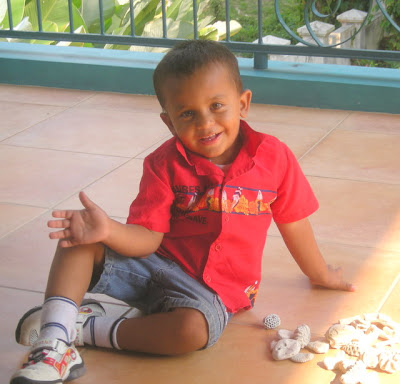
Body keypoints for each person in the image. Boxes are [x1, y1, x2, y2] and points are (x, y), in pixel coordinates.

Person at [10, 40, 355, 384]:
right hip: (155, 264)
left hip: (213, 293)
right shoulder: (162, 164)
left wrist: (321, 274)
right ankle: (53, 343)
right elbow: (147, 238)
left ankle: (81, 328)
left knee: (191, 333)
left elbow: (293, 221)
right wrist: (108, 231)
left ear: (243, 104)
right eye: (187, 113)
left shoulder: (274, 158)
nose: (206, 123)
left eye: (217, 106)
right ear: (170, 122)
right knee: (79, 238)